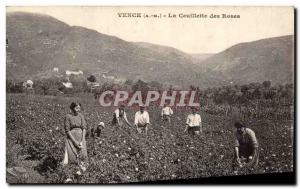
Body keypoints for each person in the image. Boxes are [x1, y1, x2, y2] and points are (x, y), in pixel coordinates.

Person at [63, 102, 88, 181]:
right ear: (72, 108)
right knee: (72, 157)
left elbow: (84, 127)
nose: (78, 109)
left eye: (79, 108)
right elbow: (67, 130)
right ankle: (70, 176)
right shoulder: (68, 116)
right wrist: (75, 142)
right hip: (72, 138)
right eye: (77, 108)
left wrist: (83, 139)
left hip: (81, 137)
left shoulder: (81, 116)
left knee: (83, 156)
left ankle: (80, 176)